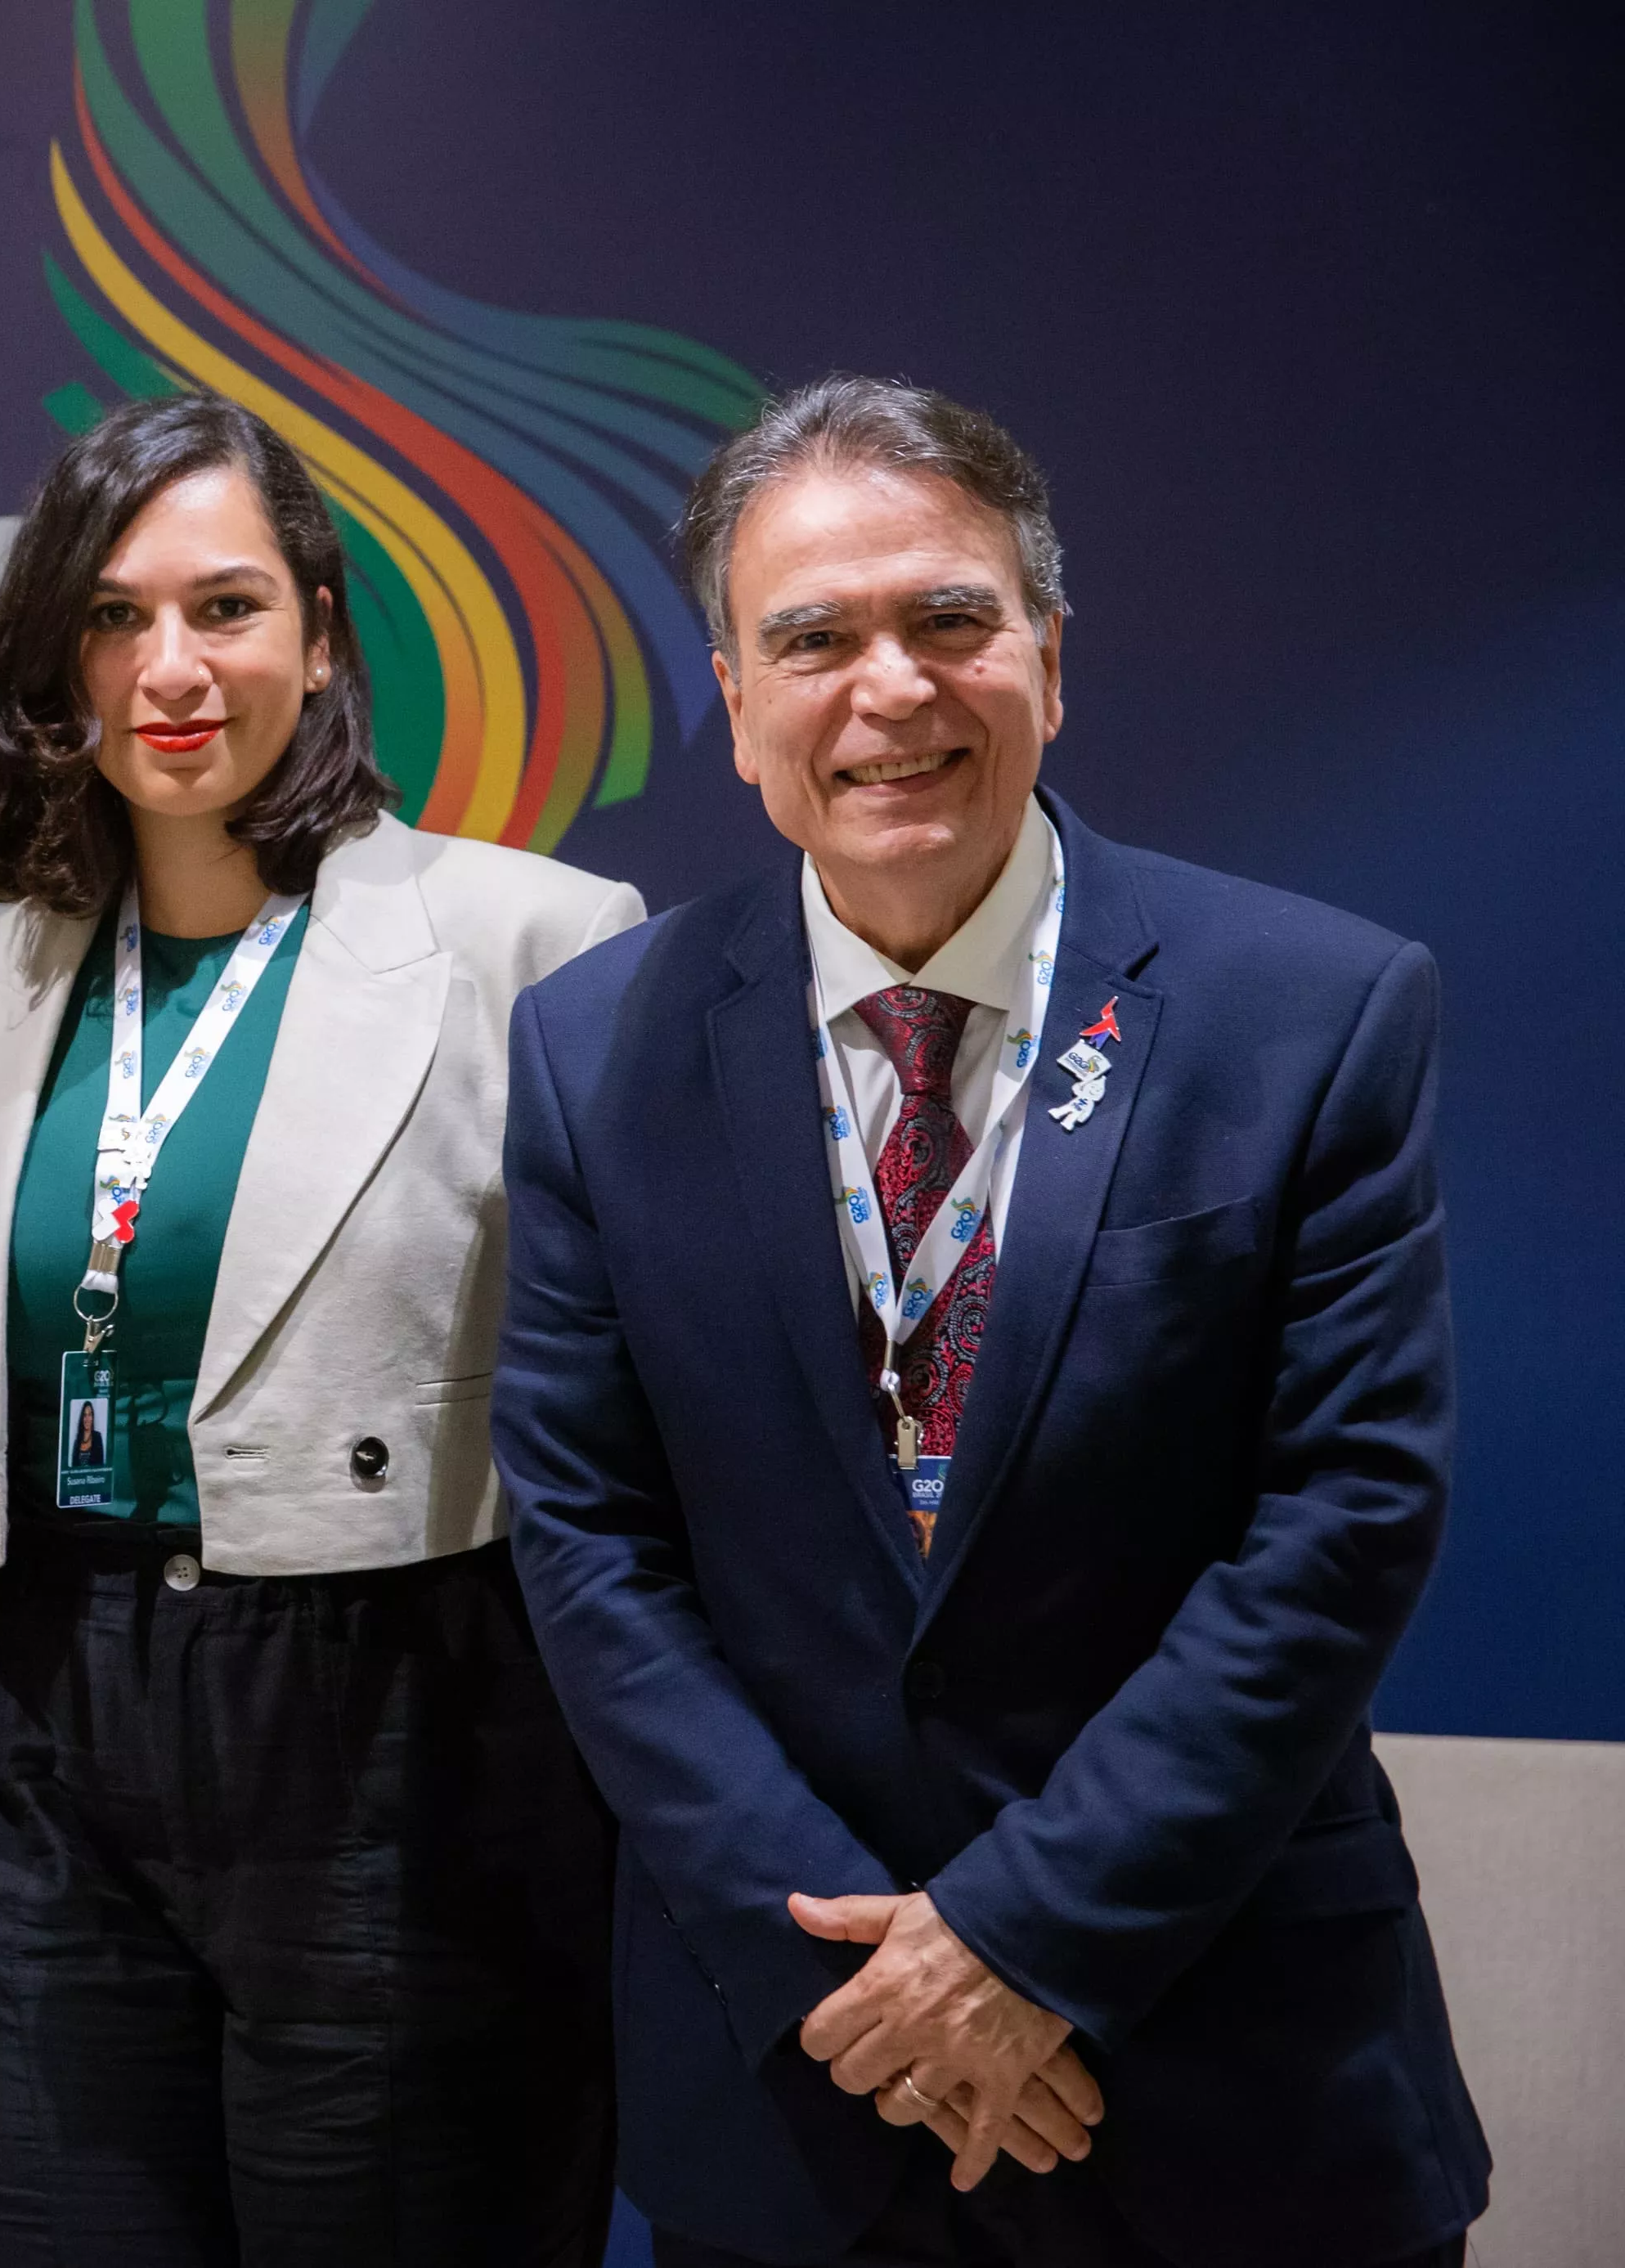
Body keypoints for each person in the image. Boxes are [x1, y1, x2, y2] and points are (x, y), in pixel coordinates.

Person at [495, 374, 1489, 2268]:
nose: (889, 690)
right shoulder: (587, 1046)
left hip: (1221, 2067)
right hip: (808, 2081)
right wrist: (862, 1980)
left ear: (1047, 654)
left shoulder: (1312, 1010)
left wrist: (1025, 1936)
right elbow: (588, 1542)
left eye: (947, 618)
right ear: (730, 699)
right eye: (811, 639)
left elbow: (1339, 1523)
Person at [0, 393, 644, 2266]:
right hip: (41, 1713)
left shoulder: (536, 946)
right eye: (112, 615)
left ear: (321, 637)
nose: (170, 668)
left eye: (226, 608)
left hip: (396, 1718)